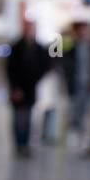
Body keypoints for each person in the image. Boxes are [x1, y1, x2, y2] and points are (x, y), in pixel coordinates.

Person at [6, 19, 52, 158]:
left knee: (28, 118)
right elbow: (10, 69)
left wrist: (35, 79)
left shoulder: (39, 48)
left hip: (31, 88)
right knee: (18, 118)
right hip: (18, 89)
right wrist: (15, 87)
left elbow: (45, 66)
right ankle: (19, 144)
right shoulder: (16, 47)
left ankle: (25, 144)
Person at [62, 23, 90, 147]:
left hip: (89, 85)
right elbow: (56, 55)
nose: (85, 34)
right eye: (82, 31)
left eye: (87, 31)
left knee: (87, 111)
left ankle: (84, 138)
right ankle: (73, 136)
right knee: (75, 110)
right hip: (75, 83)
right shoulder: (70, 45)